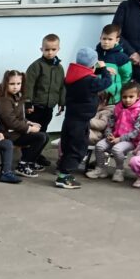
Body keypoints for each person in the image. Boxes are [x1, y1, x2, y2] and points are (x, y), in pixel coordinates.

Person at [55, 48, 113, 190]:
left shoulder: (72, 76)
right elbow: (107, 82)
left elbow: (86, 76)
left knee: (68, 147)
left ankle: (63, 173)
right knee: (77, 149)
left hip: (70, 119)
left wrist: (97, 71)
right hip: (80, 122)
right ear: (93, 64)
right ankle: (63, 177)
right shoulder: (90, 81)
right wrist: (104, 70)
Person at [87, 81, 140, 182]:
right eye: (124, 97)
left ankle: (119, 170)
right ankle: (100, 169)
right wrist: (108, 134)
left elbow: (137, 131)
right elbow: (110, 123)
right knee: (99, 146)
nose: (127, 100)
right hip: (114, 137)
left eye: (131, 97)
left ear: (138, 96)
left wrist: (120, 139)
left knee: (117, 149)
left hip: (131, 140)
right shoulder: (118, 108)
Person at [0, 70, 48, 178]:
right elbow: (10, 122)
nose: (15, 87)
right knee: (40, 137)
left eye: (18, 83)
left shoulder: (17, 96)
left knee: (45, 136)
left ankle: (30, 162)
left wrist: (29, 123)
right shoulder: (4, 100)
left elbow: (19, 117)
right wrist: (29, 129)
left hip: (17, 132)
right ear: (6, 83)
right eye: (12, 84)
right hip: (8, 134)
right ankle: (22, 165)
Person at [24, 34, 65, 168]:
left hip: (49, 107)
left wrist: (62, 103)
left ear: (58, 49)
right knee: (34, 132)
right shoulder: (36, 66)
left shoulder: (59, 68)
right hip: (36, 107)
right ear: (41, 49)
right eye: (47, 49)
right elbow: (29, 85)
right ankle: (28, 156)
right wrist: (28, 102)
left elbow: (62, 86)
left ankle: (37, 154)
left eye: (53, 49)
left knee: (44, 131)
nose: (50, 52)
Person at [96, 24, 132, 104]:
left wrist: (119, 89)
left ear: (117, 40)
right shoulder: (94, 55)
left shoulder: (122, 57)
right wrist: (103, 69)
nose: (106, 42)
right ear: (100, 38)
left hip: (113, 98)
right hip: (95, 97)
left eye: (110, 39)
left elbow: (126, 76)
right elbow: (90, 71)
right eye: (104, 38)